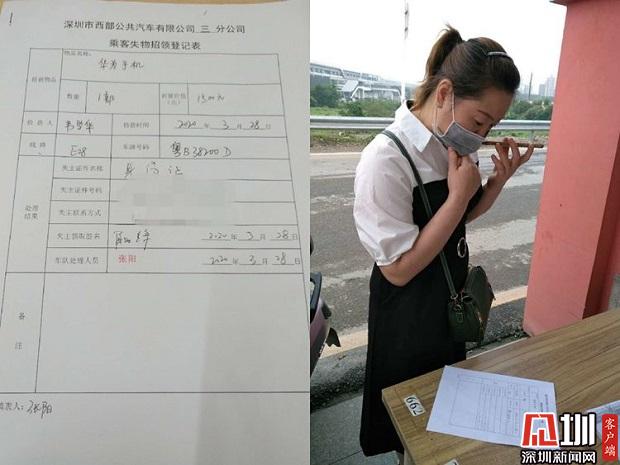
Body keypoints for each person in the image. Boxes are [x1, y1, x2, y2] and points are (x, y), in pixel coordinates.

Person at [353, 25, 534, 463]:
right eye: (479, 121)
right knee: (410, 417)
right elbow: (398, 270)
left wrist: (495, 182)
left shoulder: (453, 140)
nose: (482, 134)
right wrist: (456, 198)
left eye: (492, 125)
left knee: (448, 410)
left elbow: (458, 221)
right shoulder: (386, 160)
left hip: (448, 303)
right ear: (445, 92)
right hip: (407, 313)